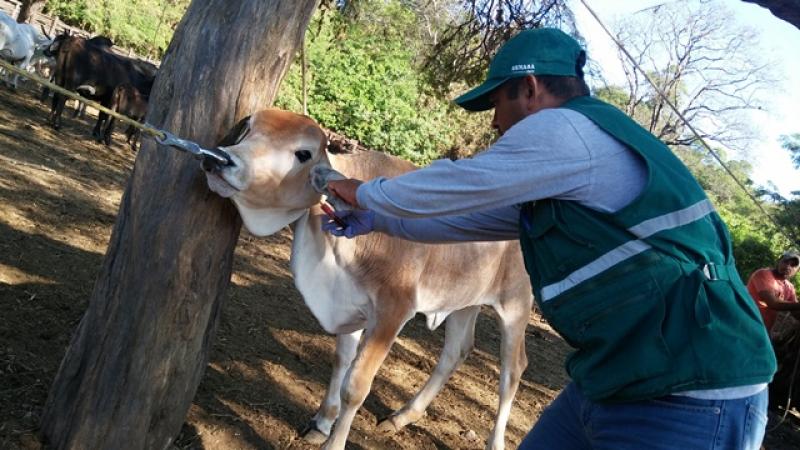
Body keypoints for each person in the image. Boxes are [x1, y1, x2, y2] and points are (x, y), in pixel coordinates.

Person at [321, 28, 776, 449]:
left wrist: (365, 191)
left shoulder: (568, 128)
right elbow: (468, 217)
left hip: (695, 390)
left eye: (496, 103)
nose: (494, 123)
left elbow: (463, 182)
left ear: (530, 89)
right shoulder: (572, 166)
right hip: (618, 374)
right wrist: (378, 219)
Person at [747, 251, 800, 335]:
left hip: (763, 332)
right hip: (746, 324)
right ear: (778, 261)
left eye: (793, 265)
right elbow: (773, 303)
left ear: (797, 270)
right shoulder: (763, 274)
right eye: (785, 262)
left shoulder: (790, 287)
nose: (788, 266)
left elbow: (795, 312)